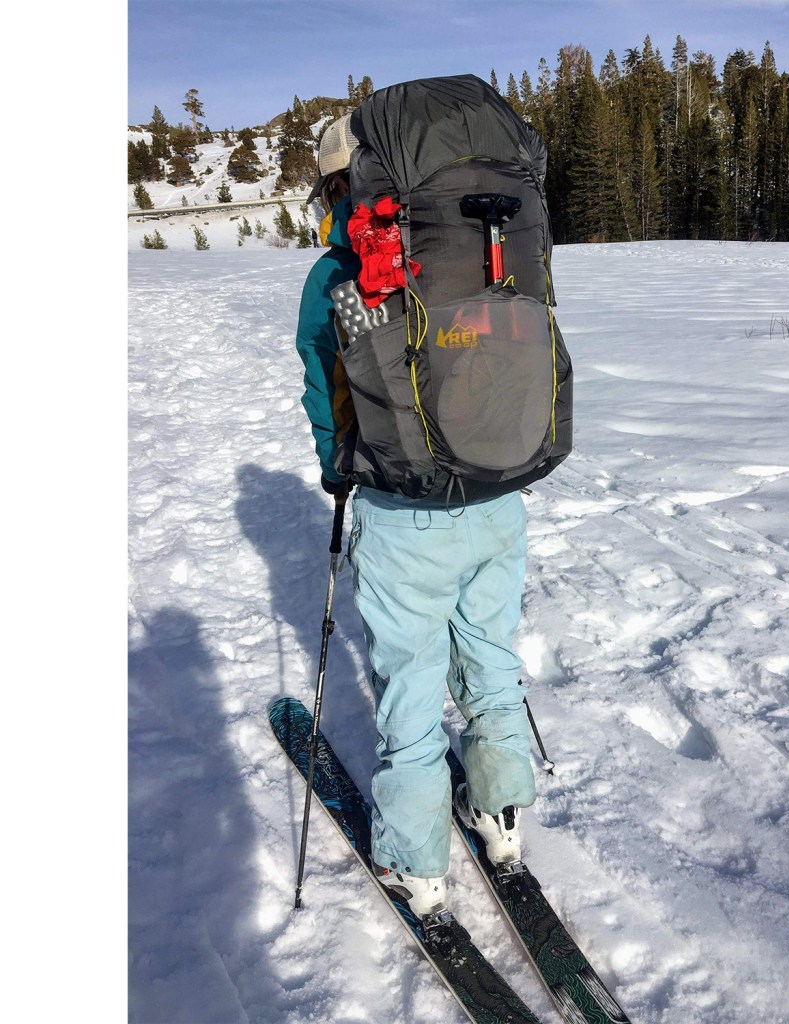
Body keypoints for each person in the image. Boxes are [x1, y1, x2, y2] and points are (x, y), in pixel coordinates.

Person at [295, 114, 537, 920]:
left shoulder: (338, 273)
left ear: (336, 188)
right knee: (490, 657)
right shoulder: (476, 241)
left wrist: (339, 468)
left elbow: (327, 386)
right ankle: (501, 817)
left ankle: (416, 863)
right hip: (499, 492)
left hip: (407, 515)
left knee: (410, 687)